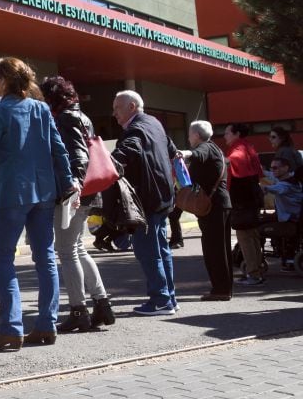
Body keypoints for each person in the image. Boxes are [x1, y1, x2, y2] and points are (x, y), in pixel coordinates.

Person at [0, 57, 72, 351]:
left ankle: (12, 329)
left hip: (12, 194)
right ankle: (47, 325)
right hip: (44, 193)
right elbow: (59, 150)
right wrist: (68, 183)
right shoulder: (42, 109)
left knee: (3, 260)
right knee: (46, 258)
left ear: (4, 81)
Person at [40, 76, 113, 333]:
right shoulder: (82, 116)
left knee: (67, 250)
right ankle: (101, 303)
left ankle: (79, 310)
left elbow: (78, 156)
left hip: (73, 193)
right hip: (87, 192)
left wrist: (74, 188)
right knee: (77, 248)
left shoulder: (66, 118)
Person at [110, 90, 178, 315]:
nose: (114, 113)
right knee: (161, 250)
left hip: (147, 200)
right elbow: (172, 150)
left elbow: (130, 148)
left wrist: (107, 161)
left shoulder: (136, 129)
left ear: (131, 107)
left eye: (117, 108)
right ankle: (169, 298)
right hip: (163, 198)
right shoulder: (154, 123)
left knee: (148, 252)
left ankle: (160, 300)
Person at [180, 120, 232, 301]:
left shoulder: (206, 148)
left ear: (196, 135)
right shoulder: (215, 148)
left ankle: (221, 290)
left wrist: (184, 153)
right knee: (218, 248)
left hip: (215, 206)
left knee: (215, 249)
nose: (188, 138)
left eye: (189, 134)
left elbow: (197, 154)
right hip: (219, 204)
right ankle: (222, 288)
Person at [224, 123, 265, 286]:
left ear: (237, 134)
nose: (225, 136)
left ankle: (254, 274)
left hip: (242, 201)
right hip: (252, 198)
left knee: (245, 238)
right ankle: (256, 271)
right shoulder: (248, 146)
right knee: (252, 237)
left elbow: (234, 160)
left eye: (227, 133)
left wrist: (223, 161)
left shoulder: (238, 149)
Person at [261, 157, 302, 272]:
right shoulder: (290, 178)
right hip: (291, 218)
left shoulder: (287, 185)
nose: (272, 170)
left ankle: (255, 259)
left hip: (290, 220)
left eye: (275, 168)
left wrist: (263, 188)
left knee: (258, 228)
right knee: (261, 219)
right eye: (271, 168)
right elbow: (269, 174)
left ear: (286, 168)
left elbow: (275, 188)